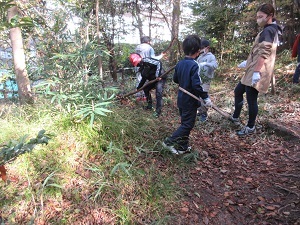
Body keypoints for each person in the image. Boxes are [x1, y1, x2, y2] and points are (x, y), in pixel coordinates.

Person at [229, 3, 283, 136]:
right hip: (252, 68)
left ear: (270, 16)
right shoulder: (267, 29)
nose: (258, 19)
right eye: (257, 16)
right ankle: (235, 117)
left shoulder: (269, 30)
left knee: (251, 99)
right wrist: (247, 62)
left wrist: (257, 72)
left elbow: (264, 53)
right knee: (238, 91)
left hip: (258, 70)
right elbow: (257, 51)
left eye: (261, 16)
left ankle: (250, 127)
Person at [163, 35, 212, 155]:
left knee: (185, 122)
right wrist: (205, 97)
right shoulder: (194, 65)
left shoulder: (180, 63)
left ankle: (182, 147)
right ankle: (168, 142)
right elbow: (196, 85)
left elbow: (175, 79)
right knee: (187, 125)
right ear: (197, 51)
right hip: (190, 100)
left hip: (181, 98)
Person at [196, 39, 218, 122]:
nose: (201, 49)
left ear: (207, 47)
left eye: (202, 47)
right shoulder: (200, 57)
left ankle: (204, 113)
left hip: (206, 79)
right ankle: (200, 111)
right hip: (199, 79)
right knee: (197, 95)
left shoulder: (211, 56)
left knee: (203, 95)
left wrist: (206, 64)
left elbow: (215, 66)